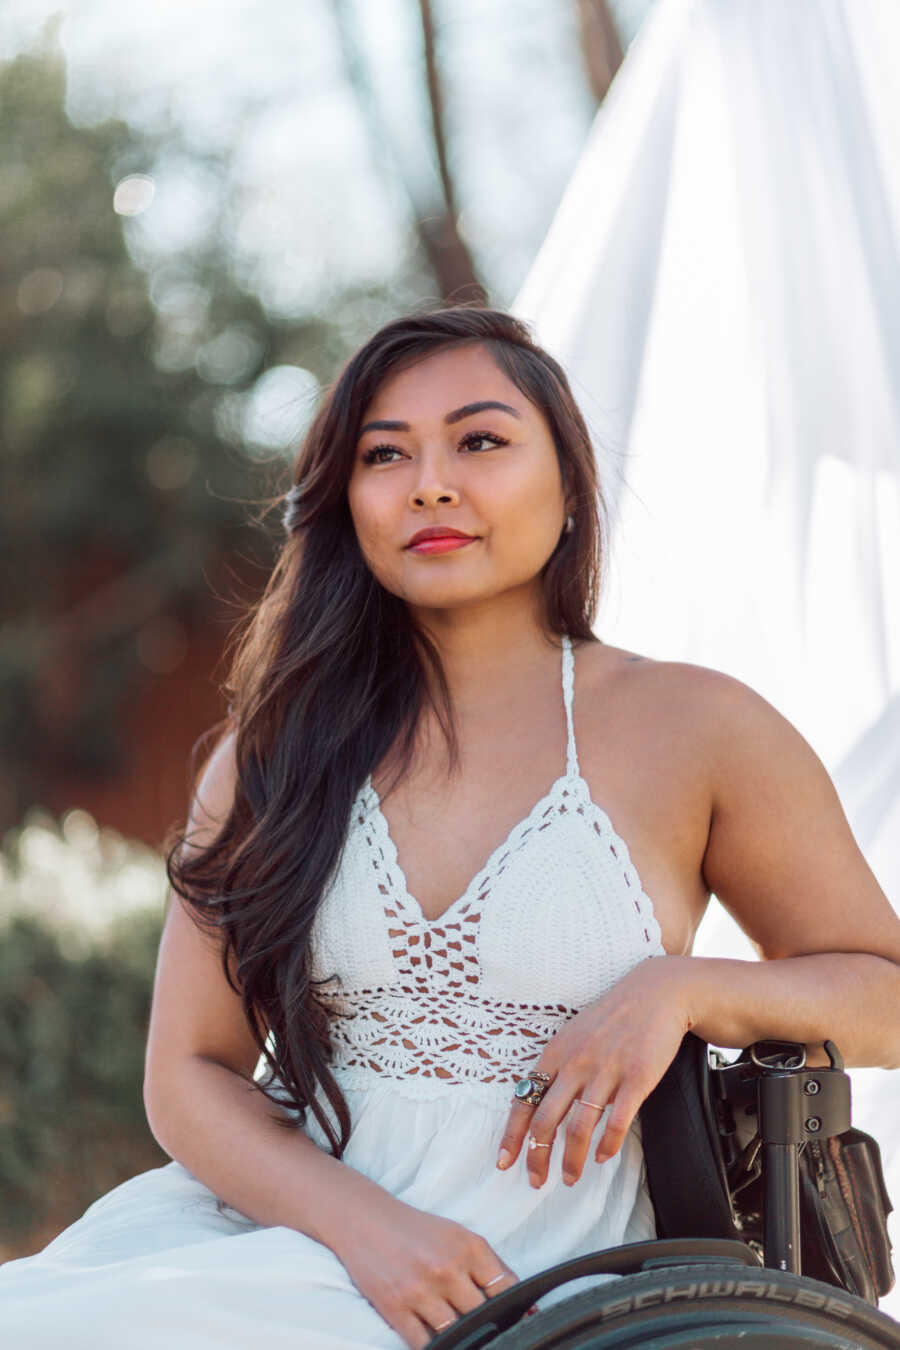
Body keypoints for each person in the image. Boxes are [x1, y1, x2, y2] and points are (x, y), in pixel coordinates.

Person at [2, 305, 899, 1349]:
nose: (430, 482)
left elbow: (884, 992)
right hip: (290, 1248)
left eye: (480, 440)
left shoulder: (697, 726)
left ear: (568, 483)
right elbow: (188, 1073)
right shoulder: (270, 753)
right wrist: (368, 1232)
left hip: (569, 1278)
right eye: (386, 454)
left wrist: (688, 989)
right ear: (347, 500)